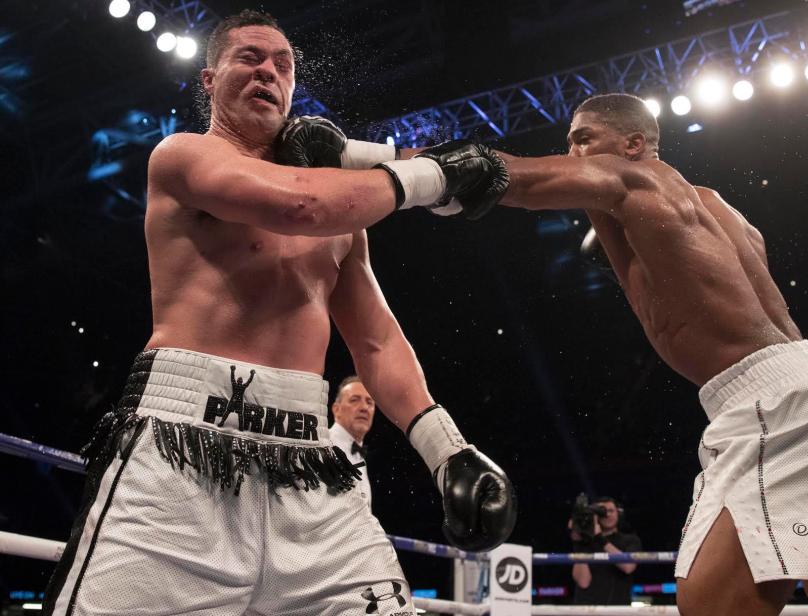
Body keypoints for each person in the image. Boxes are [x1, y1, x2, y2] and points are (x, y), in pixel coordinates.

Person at [41, 10, 515, 616]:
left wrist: (446, 449)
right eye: (251, 58)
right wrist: (433, 174)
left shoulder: (344, 213)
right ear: (209, 81)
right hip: (180, 462)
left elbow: (374, 342)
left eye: (284, 65)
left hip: (311, 471)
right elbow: (298, 207)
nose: (269, 71)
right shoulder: (184, 157)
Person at [436, 92, 808, 615]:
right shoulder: (717, 210)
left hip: (775, 403)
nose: (573, 153)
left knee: (710, 604)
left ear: (634, 145)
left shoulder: (639, 177)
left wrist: (380, 163)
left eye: (584, 139)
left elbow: (505, 176)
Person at [569, 497, 643, 605]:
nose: (607, 515)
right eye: (602, 512)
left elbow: (628, 566)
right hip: (588, 610)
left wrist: (600, 539)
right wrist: (578, 543)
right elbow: (583, 582)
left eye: (611, 511)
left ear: (619, 514)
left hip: (617, 610)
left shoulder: (630, 540)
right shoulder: (586, 543)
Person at [329, 375, 376, 508]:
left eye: (369, 402)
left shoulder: (359, 456)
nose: (364, 407)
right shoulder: (323, 446)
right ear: (336, 410)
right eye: (354, 400)